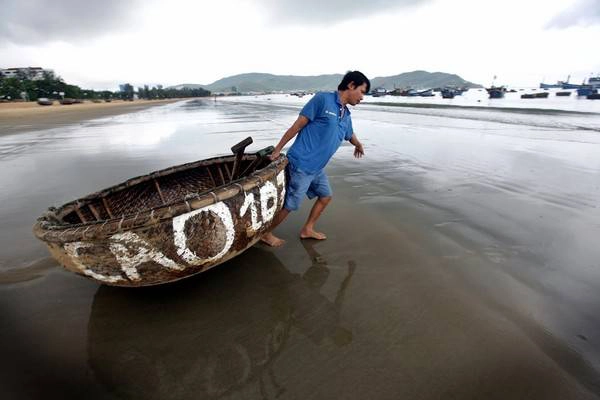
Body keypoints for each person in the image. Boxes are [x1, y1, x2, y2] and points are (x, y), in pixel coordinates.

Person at [261, 71, 370, 247]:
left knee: (325, 196)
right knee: (291, 204)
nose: (362, 97)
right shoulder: (323, 100)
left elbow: (349, 134)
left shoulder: (346, 114)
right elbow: (297, 126)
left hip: (316, 168)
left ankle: (307, 230)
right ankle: (265, 234)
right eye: (363, 91)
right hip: (301, 164)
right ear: (351, 85)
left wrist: (358, 144)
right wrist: (278, 149)